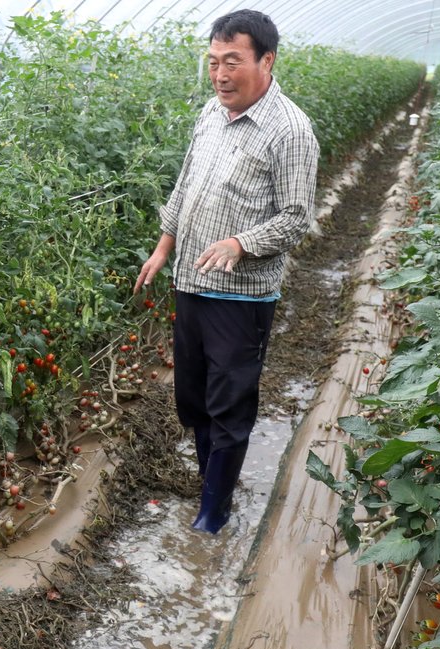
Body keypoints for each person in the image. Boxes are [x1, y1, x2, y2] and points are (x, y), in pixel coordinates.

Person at [133, 9, 318, 536]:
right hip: (191, 283)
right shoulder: (210, 114)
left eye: (231, 62)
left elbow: (295, 217)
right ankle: (209, 486)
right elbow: (186, 183)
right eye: (213, 62)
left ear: (266, 60)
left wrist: (241, 242)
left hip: (241, 297)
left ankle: (213, 513)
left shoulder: (290, 130)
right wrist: (164, 244)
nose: (219, 74)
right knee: (192, 398)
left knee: (229, 404)